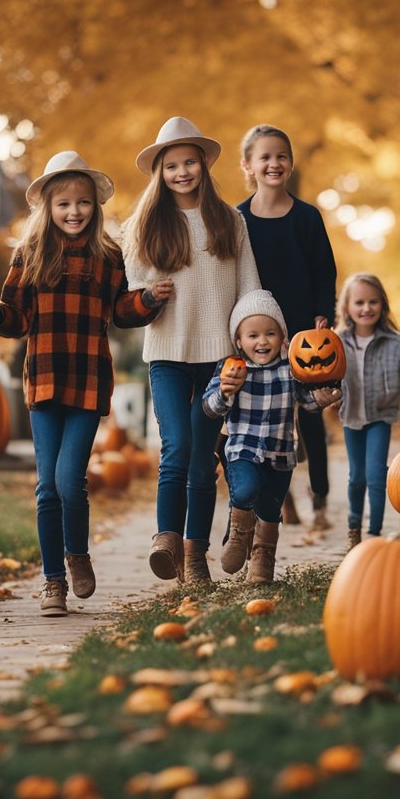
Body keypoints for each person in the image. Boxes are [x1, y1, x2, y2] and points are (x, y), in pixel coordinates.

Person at [0, 151, 171, 617]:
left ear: (94, 207)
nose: (74, 211)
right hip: (43, 380)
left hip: (87, 381)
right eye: (63, 204)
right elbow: (18, 317)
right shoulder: (30, 254)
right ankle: (53, 582)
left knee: (70, 481)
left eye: (82, 202)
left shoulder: (108, 256)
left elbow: (120, 311)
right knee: (47, 487)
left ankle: (77, 554)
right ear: (48, 207)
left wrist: (147, 298)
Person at [123, 117, 262, 583]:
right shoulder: (144, 224)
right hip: (167, 353)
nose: (181, 172)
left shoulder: (229, 220)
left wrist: (249, 346)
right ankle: (166, 540)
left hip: (219, 359)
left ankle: (195, 554)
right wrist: (149, 295)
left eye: (189, 163)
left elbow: (249, 288)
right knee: (176, 447)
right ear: (159, 173)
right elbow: (132, 290)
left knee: (203, 461)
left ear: (203, 164)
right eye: (171, 166)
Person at [237, 124, 338, 528]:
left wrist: (323, 313)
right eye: (264, 157)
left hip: (302, 333)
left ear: (291, 163)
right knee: (262, 415)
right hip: (257, 334)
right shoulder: (238, 219)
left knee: (310, 418)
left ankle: (319, 498)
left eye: (281, 156)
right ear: (248, 166)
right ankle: (281, 499)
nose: (274, 163)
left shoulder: (307, 217)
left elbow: (324, 272)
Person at [204, 290, 340, 582]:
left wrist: (322, 399)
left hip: (280, 454)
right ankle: (239, 533)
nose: (262, 341)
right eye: (252, 335)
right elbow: (211, 407)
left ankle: (263, 559)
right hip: (242, 450)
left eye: (270, 333)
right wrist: (225, 392)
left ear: (282, 337)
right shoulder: (231, 369)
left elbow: (307, 402)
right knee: (245, 490)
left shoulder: (291, 369)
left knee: (269, 509)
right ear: (239, 341)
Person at [336, 273, 400, 550]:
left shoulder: (394, 341)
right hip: (352, 415)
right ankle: (354, 526)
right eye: (359, 302)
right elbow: (325, 368)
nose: (367, 308)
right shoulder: (338, 341)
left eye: (373, 302)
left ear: (382, 304)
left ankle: (374, 533)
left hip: (381, 415)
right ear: (347, 307)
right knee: (357, 477)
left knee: (376, 476)